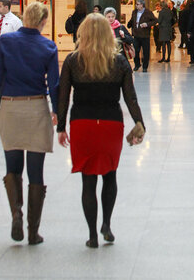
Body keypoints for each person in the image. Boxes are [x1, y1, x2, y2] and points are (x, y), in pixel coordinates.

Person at [57, 14, 145, 248]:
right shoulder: (119, 62)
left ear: (82, 33)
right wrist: (140, 123)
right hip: (110, 124)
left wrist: (60, 127)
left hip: (82, 125)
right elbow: (130, 97)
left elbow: (63, 96)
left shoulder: (73, 61)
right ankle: (106, 224)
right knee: (110, 175)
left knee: (88, 180)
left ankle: (92, 235)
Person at [0, 1, 59, 245]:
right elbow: (54, 85)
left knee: (13, 167)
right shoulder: (48, 46)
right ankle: (33, 231)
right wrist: (57, 112)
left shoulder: (5, 42)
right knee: (36, 172)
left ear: (24, 18)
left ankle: (16, 213)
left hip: (10, 108)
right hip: (36, 108)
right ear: (43, 21)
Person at [128, 0, 156, 73]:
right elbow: (132, 20)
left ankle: (145, 66)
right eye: (136, 4)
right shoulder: (134, 12)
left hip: (145, 35)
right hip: (136, 35)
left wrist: (147, 24)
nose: (136, 6)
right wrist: (129, 24)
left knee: (146, 52)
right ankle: (137, 65)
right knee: (135, 51)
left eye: (137, 4)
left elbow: (155, 20)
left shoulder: (148, 12)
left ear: (142, 5)